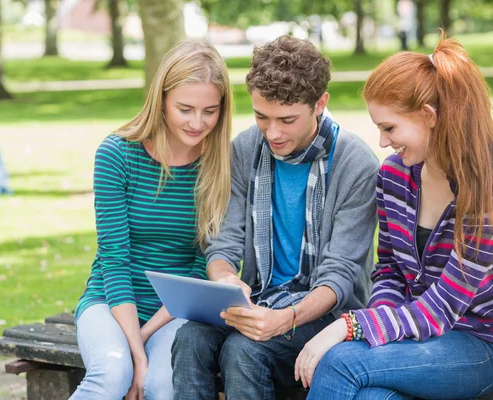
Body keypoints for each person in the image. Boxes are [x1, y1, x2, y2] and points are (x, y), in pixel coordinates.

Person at [171, 35, 380, 399]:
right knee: (189, 338)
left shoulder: (355, 164)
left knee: (244, 350)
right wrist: (224, 279)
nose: (273, 133)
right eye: (261, 117)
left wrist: (287, 318)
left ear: (320, 104)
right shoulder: (246, 148)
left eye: (287, 119)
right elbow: (224, 241)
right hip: (261, 299)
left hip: (327, 314)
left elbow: (340, 276)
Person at [295, 34, 493, 400]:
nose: (383, 142)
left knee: (339, 361)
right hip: (414, 335)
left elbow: (443, 308)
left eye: (389, 128)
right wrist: (380, 330)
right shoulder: (393, 176)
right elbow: (387, 269)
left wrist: (351, 327)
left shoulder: (484, 189)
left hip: (477, 343)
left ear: (429, 117)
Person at [70, 40, 233, 400]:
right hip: (110, 299)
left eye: (210, 111)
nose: (197, 123)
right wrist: (131, 345)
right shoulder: (116, 154)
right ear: (161, 99)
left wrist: (143, 341)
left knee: (161, 385)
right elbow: (114, 259)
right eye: (185, 109)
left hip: (176, 312)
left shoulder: (219, 165)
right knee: (113, 372)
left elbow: (198, 266)